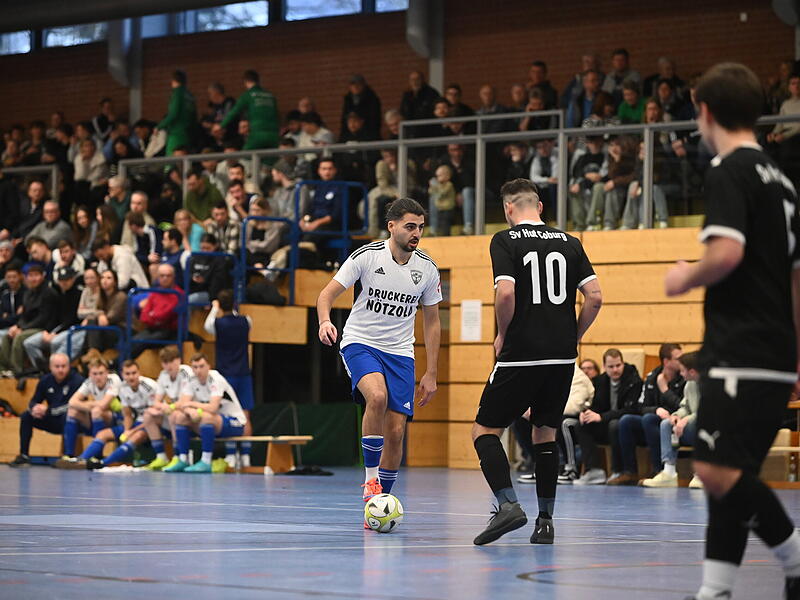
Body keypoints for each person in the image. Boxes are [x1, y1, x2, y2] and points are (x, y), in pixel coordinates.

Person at [664, 62, 800, 600]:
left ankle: (794, 555)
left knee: (715, 469)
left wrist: (683, 276)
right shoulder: (783, 180)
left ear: (705, 112)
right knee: (730, 477)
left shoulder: (728, 169)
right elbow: (796, 281)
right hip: (774, 350)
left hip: (740, 347)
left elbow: (726, 252)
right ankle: (714, 589)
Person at [470, 178, 602, 546]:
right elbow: (594, 296)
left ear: (509, 209)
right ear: (540, 206)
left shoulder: (505, 240)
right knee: (545, 432)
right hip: (561, 357)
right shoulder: (571, 243)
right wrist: (574, 336)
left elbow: (507, 291)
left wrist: (501, 333)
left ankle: (508, 504)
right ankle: (545, 523)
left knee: (484, 431)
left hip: (521, 354)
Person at [316, 198, 441, 517]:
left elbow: (432, 320)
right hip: (361, 342)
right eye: (410, 226)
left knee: (397, 431)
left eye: (421, 228)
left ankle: (379, 503)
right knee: (377, 397)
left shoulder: (426, 268)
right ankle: (370, 481)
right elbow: (326, 294)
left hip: (401, 352)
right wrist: (325, 320)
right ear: (392, 226)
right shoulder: (367, 256)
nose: (417, 233)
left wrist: (431, 373)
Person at [612, 343, 684, 485]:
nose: (682, 361)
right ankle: (630, 472)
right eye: (678, 358)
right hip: (655, 418)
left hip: (674, 420)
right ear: (666, 361)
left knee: (648, 419)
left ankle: (658, 470)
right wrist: (655, 410)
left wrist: (664, 390)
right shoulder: (652, 376)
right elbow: (640, 406)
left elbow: (682, 405)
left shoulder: (684, 377)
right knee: (626, 420)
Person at [163, 353, 247, 473]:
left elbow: (213, 407)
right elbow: (183, 404)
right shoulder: (191, 380)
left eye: (201, 366)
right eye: (195, 367)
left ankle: (206, 461)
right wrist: (190, 410)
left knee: (206, 417)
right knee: (179, 417)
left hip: (235, 422)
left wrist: (193, 406)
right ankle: (182, 459)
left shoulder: (215, 379)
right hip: (212, 422)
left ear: (209, 366)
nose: (198, 370)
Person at [574, 348, 642, 485]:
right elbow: (597, 406)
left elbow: (632, 409)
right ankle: (594, 470)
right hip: (606, 423)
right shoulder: (600, 381)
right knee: (580, 424)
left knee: (615, 424)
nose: (615, 369)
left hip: (625, 425)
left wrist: (602, 417)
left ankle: (617, 470)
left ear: (623, 363)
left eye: (618, 365)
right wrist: (586, 412)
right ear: (604, 367)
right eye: (611, 366)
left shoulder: (634, 381)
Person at [204, 290, 255, 468]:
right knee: (245, 415)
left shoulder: (217, 323)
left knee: (228, 415)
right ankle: (246, 457)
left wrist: (214, 308)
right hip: (244, 374)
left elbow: (207, 325)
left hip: (226, 377)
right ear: (234, 304)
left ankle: (232, 456)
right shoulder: (246, 321)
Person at [83, 359, 165, 470]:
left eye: (134, 373)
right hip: (136, 423)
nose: (131, 377)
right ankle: (81, 460)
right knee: (103, 434)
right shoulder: (122, 388)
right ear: (122, 375)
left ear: (139, 373)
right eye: (127, 374)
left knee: (137, 436)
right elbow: (127, 415)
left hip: (153, 424)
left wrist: (131, 431)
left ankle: (103, 463)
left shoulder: (148, 386)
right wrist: (127, 430)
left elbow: (153, 418)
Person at [641, 350, 703, 489]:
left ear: (692, 372)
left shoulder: (710, 385)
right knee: (666, 424)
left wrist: (685, 420)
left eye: (682, 371)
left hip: (706, 426)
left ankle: (702, 474)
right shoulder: (689, 384)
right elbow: (685, 406)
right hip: (689, 426)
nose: (680, 374)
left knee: (705, 425)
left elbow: (708, 412)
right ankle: (668, 472)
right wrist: (676, 416)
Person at [8, 353, 84, 467]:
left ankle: (68, 456)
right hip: (51, 419)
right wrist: (34, 408)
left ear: (69, 366)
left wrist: (48, 410)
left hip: (71, 420)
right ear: (50, 367)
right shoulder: (45, 380)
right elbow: (33, 401)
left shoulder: (77, 380)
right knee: (26, 416)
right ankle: (24, 455)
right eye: (57, 366)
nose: (60, 370)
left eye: (64, 366)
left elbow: (71, 405)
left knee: (68, 416)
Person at [56, 358, 122, 466]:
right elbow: (72, 402)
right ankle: (69, 455)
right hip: (97, 417)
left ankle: (97, 455)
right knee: (73, 412)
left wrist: (91, 404)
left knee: (96, 411)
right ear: (90, 374)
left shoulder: (114, 379)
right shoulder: (89, 382)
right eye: (94, 374)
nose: (98, 377)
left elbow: (103, 405)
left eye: (101, 373)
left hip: (117, 419)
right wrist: (91, 404)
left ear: (107, 373)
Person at [0, 264, 58, 377]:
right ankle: (3, 369)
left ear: (42, 276)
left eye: (36, 275)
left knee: (19, 337)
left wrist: (23, 329)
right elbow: (24, 316)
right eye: (30, 276)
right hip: (29, 326)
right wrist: (17, 326)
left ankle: (16, 371)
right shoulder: (28, 294)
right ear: (26, 277)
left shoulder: (49, 293)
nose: (33, 278)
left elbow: (43, 318)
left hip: (44, 328)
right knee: (7, 335)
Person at [142, 345, 194, 471]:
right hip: (174, 410)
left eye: (172, 361)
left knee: (173, 414)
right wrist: (163, 407)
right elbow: (156, 401)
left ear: (179, 360)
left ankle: (178, 456)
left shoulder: (186, 372)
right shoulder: (163, 375)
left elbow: (185, 401)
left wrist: (168, 407)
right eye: (165, 362)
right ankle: (161, 456)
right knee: (148, 415)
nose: (169, 365)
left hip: (190, 413)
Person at [22, 266, 83, 373]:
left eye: (67, 280)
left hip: (73, 330)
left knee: (55, 342)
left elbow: (72, 319)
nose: (64, 283)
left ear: (73, 279)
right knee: (29, 343)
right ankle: (42, 369)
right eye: (62, 280)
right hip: (56, 330)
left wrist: (55, 333)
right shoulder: (58, 294)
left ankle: (53, 368)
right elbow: (54, 317)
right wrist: (47, 331)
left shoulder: (78, 294)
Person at [130, 264, 185, 359]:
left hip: (170, 331)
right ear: (158, 277)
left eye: (168, 276)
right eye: (162, 276)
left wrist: (153, 315)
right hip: (152, 329)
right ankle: (116, 364)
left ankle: (117, 365)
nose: (165, 278)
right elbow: (144, 315)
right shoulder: (155, 292)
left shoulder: (179, 294)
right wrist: (154, 316)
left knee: (141, 341)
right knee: (131, 340)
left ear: (174, 277)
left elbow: (166, 316)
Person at [217, 70, 279, 150]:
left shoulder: (247, 95)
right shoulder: (270, 96)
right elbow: (277, 115)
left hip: (257, 134)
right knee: (271, 159)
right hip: (274, 135)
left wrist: (221, 125)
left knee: (245, 159)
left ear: (245, 81)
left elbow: (234, 111)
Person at [156, 69, 197, 156]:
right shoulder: (190, 95)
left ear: (173, 80)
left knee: (172, 161)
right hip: (188, 134)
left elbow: (173, 113)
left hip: (176, 132)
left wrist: (159, 126)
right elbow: (194, 116)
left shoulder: (177, 93)